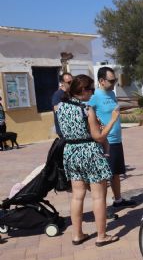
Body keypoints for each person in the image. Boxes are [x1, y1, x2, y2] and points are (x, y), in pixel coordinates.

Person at [57, 74, 120, 246]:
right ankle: (101, 236)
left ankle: (77, 234)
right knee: (98, 197)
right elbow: (98, 137)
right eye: (91, 89)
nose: (92, 92)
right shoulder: (86, 109)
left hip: (71, 151)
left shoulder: (60, 106)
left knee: (77, 196)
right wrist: (112, 120)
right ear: (83, 90)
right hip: (90, 152)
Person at [88, 67, 136, 210]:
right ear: (102, 81)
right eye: (111, 80)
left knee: (115, 173)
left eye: (115, 79)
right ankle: (103, 207)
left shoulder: (111, 94)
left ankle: (118, 200)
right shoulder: (94, 96)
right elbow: (88, 116)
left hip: (117, 140)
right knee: (104, 177)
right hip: (105, 142)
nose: (114, 82)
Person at [52, 72, 74, 137]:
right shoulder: (57, 95)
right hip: (63, 130)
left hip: (72, 128)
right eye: (69, 82)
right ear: (62, 82)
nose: (71, 84)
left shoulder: (71, 93)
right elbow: (57, 111)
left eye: (72, 82)